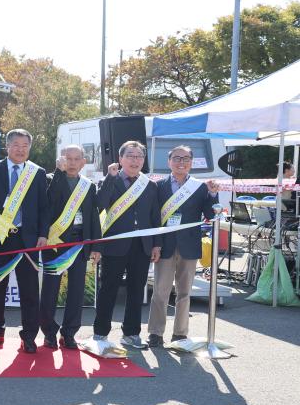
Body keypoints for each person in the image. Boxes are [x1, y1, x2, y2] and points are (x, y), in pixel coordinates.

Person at [0, 129, 49, 353]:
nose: (20, 149)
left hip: (27, 239)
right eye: (16, 144)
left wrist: (43, 234)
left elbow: (43, 207)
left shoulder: (37, 172)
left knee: (29, 291)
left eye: (25, 145)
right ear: (7, 147)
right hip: (0, 238)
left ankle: (29, 336)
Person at [93, 140, 161, 349]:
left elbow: (154, 216)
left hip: (142, 246)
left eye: (139, 156)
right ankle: (100, 334)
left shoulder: (149, 184)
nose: (135, 160)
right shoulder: (110, 180)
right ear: (120, 159)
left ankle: (131, 333)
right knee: (108, 289)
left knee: (136, 291)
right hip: (114, 244)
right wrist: (110, 178)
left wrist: (156, 244)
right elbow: (99, 204)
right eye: (130, 156)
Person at [148, 145, 220, 346]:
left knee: (185, 292)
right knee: (160, 291)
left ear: (191, 162)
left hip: (189, 245)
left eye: (186, 158)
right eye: (177, 158)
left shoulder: (200, 187)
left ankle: (180, 333)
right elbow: (155, 217)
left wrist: (213, 195)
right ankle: (155, 332)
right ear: (169, 161)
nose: (181, 162)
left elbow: (209, 214)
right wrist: (156, 244)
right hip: (165, 245)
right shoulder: (158, 186)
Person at [38, 145, 101, 350]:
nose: (72, 163)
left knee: (76, 291)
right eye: (68, 158)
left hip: (79, 243)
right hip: (55, 242)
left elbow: (93, 216)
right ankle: (49, 332)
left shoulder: (88, 185)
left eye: (76, 159)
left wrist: (95, 245)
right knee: (50, 291)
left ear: (83, 162)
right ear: (61, 160)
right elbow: (49, 203)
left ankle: (69, 332)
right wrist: (58, 173)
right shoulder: (50, 179)